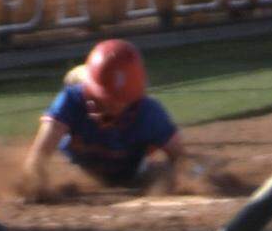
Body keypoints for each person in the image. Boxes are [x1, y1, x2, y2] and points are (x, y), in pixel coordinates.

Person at [20, 39, 188, 201]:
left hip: (131, 174)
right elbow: (38, 155)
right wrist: (33, 178)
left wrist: (190, 178)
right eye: (99, 96)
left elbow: (181, 158)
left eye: (115, 100)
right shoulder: (71, 100)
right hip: (74, 167)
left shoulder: (150, 114)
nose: (104, 104)